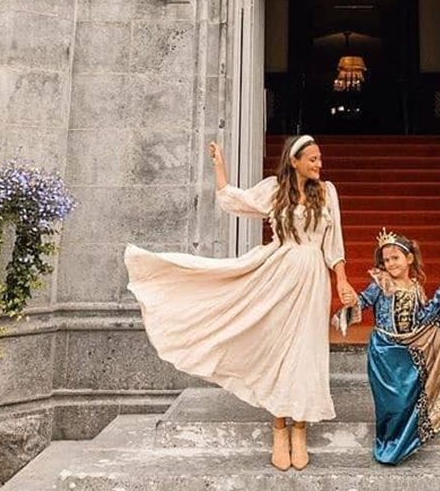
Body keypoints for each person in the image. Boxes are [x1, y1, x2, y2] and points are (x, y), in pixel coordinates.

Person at [124, 135, 357, 471]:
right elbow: (234, 200)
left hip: (313, 279)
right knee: (279, 350)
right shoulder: (275, 190)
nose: (319, 164)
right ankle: (279, 428)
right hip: (279, 272)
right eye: (313, 159)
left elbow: (334, 243)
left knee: (307, 352)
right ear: (294, 161)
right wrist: (220, 168)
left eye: (320, 158)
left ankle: (300, 429)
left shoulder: (327, 192)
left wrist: (343, 279)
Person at [350, 229, 440, 465]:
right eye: (386, 260)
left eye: (395, 258)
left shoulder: (415, 287)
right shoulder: (381, 282)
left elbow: (421, 317)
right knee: (390, 403)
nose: (390, 263)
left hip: (408, 353)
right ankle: (388, 440)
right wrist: (350, 303)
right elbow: (363, 301)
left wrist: (438, 306)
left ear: (409, 259)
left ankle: (403, 441)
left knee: (405, 400)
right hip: (383, 352)